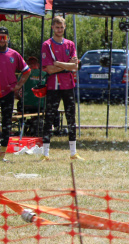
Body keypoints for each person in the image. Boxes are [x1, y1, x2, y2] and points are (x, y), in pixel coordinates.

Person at [40, 16, 81, 161]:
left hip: (68, 84)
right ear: (52, 28)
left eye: (61, 27)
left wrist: (58, 64)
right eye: (57, 27)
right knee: (49, 117)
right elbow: (49, 69)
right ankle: (45, 153)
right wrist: (66, 65)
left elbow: (75, 66)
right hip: (53, 85)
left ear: (65, 28)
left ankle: (73, 152)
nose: (59, 30)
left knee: (71, 118)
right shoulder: (47, 45)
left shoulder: (70, 44)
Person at [0, 27, 31, 162]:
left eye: (4, 37)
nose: (1, 40)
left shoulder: (13, 54)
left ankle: (2, 156)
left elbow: (27, 71)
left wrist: (18, 85)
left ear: (8, 38)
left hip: (7, 94)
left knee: (6, 123)